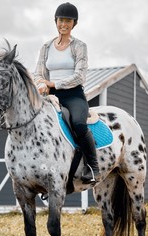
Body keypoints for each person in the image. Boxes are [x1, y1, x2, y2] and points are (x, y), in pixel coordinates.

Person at [34, 2, 99, 184]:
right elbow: (38, 73)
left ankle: (93, 167)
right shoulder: (46, 47)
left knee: (78, 124)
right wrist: (41, 84)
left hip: (73, 96)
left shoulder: (80, 46)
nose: (64, 24)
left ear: (74, 23)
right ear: (55, 21)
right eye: (61, 20)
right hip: (50, 96)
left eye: (68, 21)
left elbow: (80, 76)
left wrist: (53, 83)